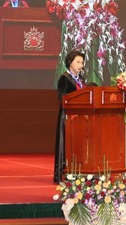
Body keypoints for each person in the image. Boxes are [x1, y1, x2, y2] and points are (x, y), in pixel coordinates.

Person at [54, 50, 86, 184]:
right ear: (70, 63)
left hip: (80, 118)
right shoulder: (64, 78)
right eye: (77, 62)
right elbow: (61, 97)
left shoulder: (81, 79)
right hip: (67, 117)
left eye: (82, 62)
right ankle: (64, 173)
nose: (80, 65)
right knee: (67, 145)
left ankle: (78, 171)